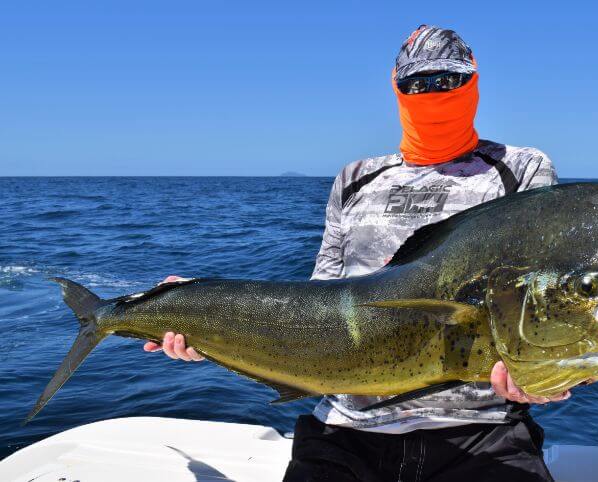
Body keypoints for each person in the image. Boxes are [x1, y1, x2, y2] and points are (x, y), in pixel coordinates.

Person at [145, 25, 568, 481]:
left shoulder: (522, 170)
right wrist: (201, 312)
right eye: (417, 83)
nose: (432, 92)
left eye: (447, 81)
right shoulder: (355, 178)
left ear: (474, 82)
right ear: (397, 88)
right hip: (347, 430)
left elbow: (538, 299)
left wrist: (552, 377)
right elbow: (319, 304)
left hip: (479, 431)